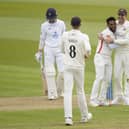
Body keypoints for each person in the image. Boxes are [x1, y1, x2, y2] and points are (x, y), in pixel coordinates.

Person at [61, 16, 92, 125]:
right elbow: (88, 50)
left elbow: (62, 49)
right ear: (80, 24)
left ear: (71, 24)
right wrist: (86, 55)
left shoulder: (65, 35)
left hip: (67, 66)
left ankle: (68, 118)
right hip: (79, 67)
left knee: (68, 92)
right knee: (80, 91)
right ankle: (84, 116)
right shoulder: (84, 36)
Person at [35, 8, 66, 100]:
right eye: (49, 18)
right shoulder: (44, 25)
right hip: (48, 49)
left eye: (52, 17)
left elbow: (64, 37)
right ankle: (52, 93)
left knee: (63, 71)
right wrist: (39, 51)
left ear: (56, 16)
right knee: (50, 72)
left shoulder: (61, 23)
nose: (51, 19)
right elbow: (42, 38)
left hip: (60, 49)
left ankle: (61, 91)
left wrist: (66, 49)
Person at [90, 17, 117, 107]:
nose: (112, 25)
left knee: (108, 79)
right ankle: (92, 99)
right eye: (110, 24)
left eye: (113, 24)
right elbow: (112, 47)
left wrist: (114, 41)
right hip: (100, 56)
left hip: (108, 58)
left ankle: (102, 99)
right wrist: (111, 41)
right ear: (107, 25)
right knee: (99, 78)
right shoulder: (106, 32)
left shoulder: (114, 32)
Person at [105, 8, 129, 105]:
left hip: (127, 52)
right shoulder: (115, 23)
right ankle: (119, 96)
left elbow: (127, 41)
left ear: (126, 15)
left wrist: (114, 41)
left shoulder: (128, 25)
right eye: (119, 15)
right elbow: (107, 30)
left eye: (122, 15)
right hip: (118, 53)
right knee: (116, 76)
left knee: (127, 75)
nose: (120, 17)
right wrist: (102, 35)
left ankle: (127, 97)